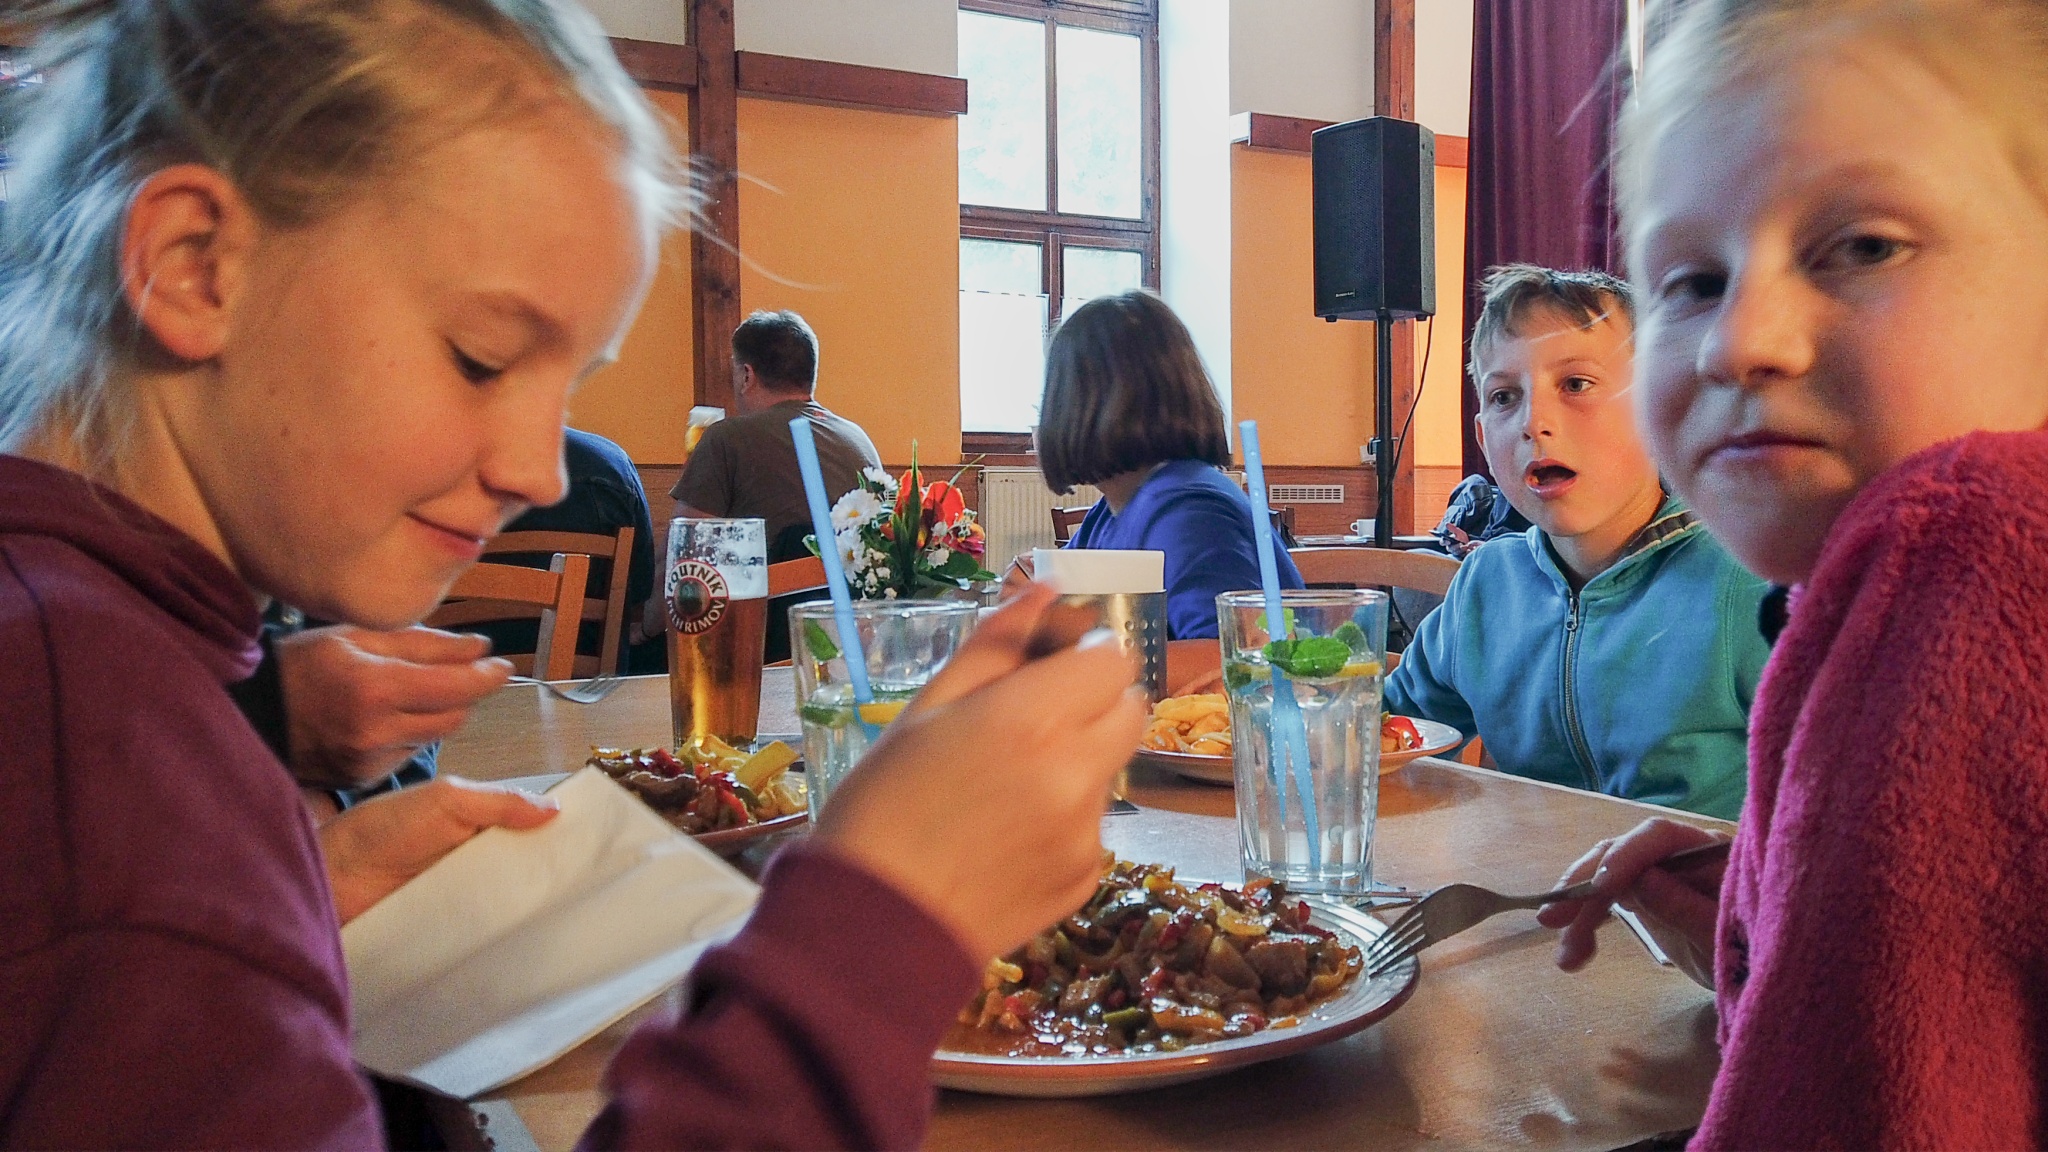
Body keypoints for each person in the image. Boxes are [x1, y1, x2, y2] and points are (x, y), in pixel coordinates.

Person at [0, 4, 1142, 1150]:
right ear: (195, 267)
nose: (538, 471)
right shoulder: (95, 764)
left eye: (567, 384)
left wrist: (280, 911)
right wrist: (878, 932)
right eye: (482, 358)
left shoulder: (106, 699)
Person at [1534, 2, 2048, 1146]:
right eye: (1689, 281)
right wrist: (1769, 918)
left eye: (1863, 246)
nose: (1738, 341)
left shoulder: (1965, 547)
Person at [1384, 266, 1769, 818]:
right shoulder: (1486, 586)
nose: (1534, 422)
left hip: (1702, 874)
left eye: (1576, 385)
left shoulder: (1743, 578)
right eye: (1504, 396)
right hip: (1530, 870)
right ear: (1482, 440)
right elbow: (1389, 732)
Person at [1033, 290, 1302, 641]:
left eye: (1049, 397)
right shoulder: (1112, 513)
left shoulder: (1189, 515)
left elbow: (1225, 654)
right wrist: (1034, 588)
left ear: (1079, 404)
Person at [668, 309, 882, 559]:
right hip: (851, 585)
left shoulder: (726, 438)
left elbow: (683, 557)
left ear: (747, 376)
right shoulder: (859, 441)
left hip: (768, 586)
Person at [470, 426, 665, 675]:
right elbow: (639, 594)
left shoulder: (438, 467)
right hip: (585, 688)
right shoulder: (611, 465)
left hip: (456, 683)